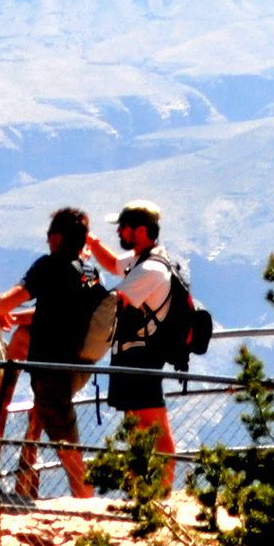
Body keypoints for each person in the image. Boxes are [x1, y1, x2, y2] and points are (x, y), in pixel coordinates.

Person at [0, 207, 113, 497]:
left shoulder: (48, 267)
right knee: (22, 338)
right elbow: (59, 311)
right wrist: (18, 319)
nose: (47, 241)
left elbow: (5, 302)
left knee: (69, 452)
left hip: (50, 373)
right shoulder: (89, 272)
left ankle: (87, 512)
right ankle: (27, 481)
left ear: (56, 237)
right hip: (80, 366)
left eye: (48, 235)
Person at [107, 200, 182, 492]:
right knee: (137, 430)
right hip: (132, 355)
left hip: (141, 357)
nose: (119, 231)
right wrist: (92, 242)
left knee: (154, 428)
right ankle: (142, 493)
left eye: (123, 227)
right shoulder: (143, 260)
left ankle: (161, 495)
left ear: (139, 230)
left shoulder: (149, 269)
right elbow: (114, 263)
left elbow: (115, 301)